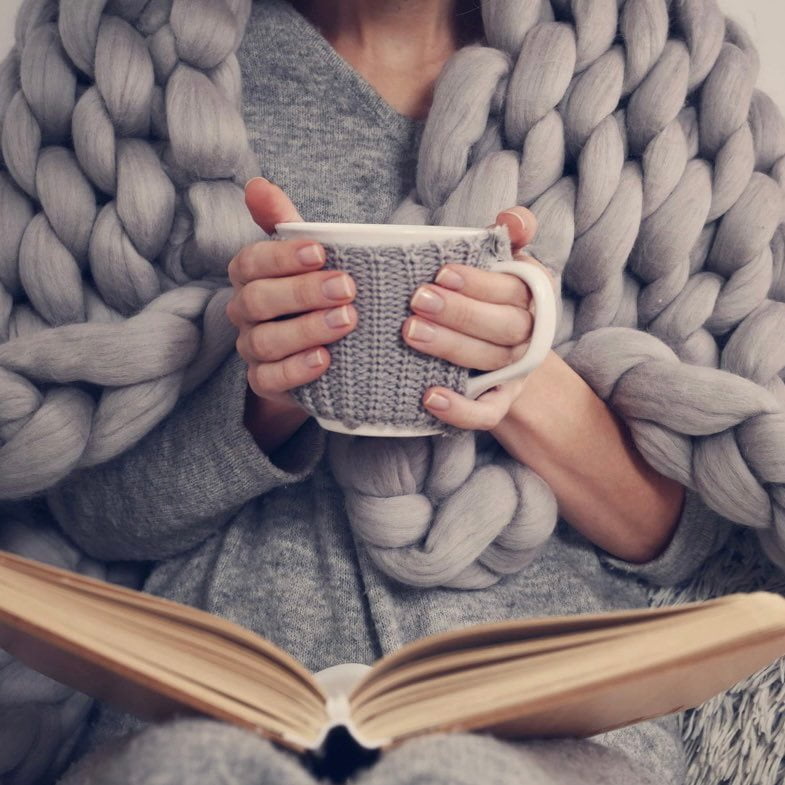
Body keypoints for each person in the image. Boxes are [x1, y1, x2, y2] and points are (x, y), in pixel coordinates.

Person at [45, 0, 732, 783]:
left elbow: (691, 538)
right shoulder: (123, 72)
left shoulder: (657, 76)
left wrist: (524, 368)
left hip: (556, 718)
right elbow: (88, 518)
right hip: (211, 696)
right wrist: (274, 384)